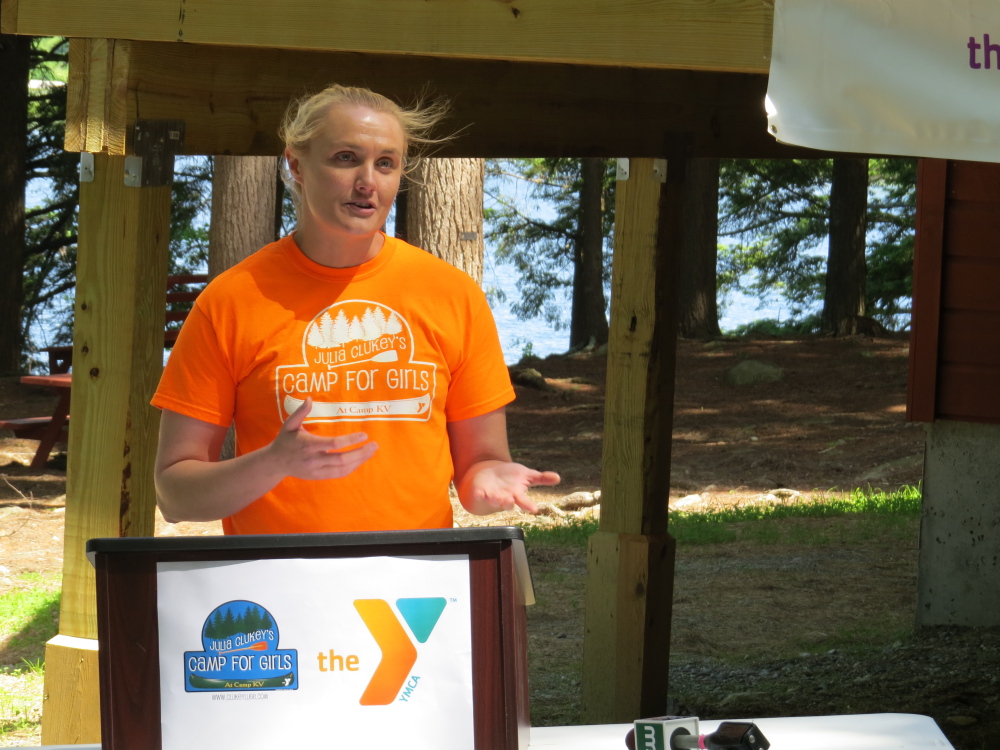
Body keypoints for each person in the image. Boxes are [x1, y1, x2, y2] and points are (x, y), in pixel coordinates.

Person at [152, 84, 560, 534]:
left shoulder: (452, 294)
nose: (368, 181)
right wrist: (273, 463)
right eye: (346, 158)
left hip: (411, 588)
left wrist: (489, 480)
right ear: (295, 164)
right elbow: (174, 494)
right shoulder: (230, 301)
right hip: (279, 585)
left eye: (385, 163)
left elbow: (480, 463)